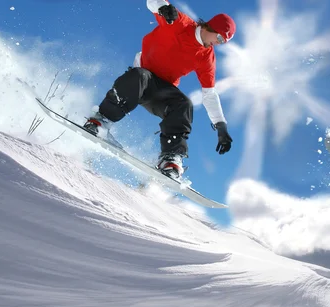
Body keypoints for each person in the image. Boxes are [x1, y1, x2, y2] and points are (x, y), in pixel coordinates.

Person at [83, 0, 235, 180]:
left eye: (222, 42)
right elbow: (152, 2)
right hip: (141, 78)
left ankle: (170, 158)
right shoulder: (180, 23)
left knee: (184, 104)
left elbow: (209, 93)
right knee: (139, 76)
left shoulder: (207, 57)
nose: (218, 43)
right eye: (219, 38)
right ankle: (101, 120)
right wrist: (162, 7)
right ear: (211, 27)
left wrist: (221, 125)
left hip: (162, 91)